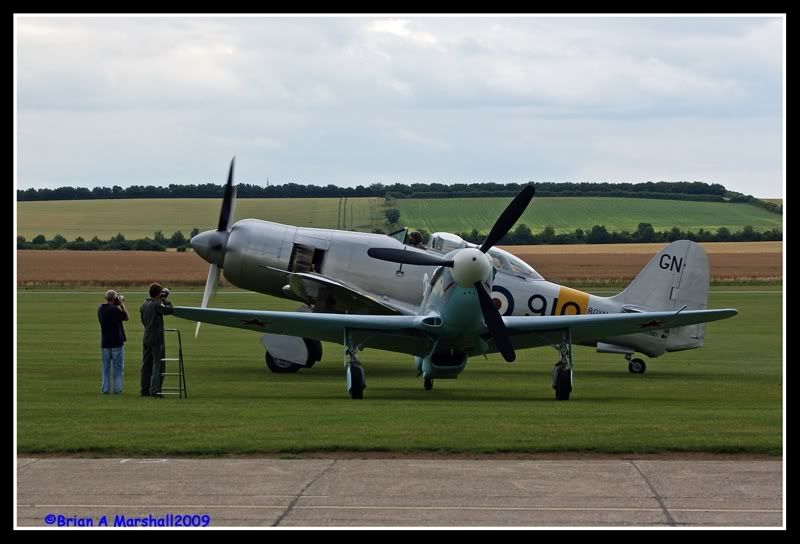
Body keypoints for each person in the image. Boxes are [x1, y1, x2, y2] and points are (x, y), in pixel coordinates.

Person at [140, 283, 174, 397]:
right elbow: (169, 310)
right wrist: (165, 300)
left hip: (146, 336)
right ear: (159, 294)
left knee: (146, 365)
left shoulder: (144, 304)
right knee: (157, 364)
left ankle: (144, 389)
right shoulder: (156, 305)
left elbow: (144, 321)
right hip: (156, 338)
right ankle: (155, 390)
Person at [97, 289, 128, 394]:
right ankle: (117, 389)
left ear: (105, 298)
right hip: (117, 342)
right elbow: (126, 317)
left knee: (105, 368)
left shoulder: (100, 309)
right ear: (115, 299)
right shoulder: (115, 310)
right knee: (118, 369)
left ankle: (105, 389)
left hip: (105, 342)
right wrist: (122, 305)